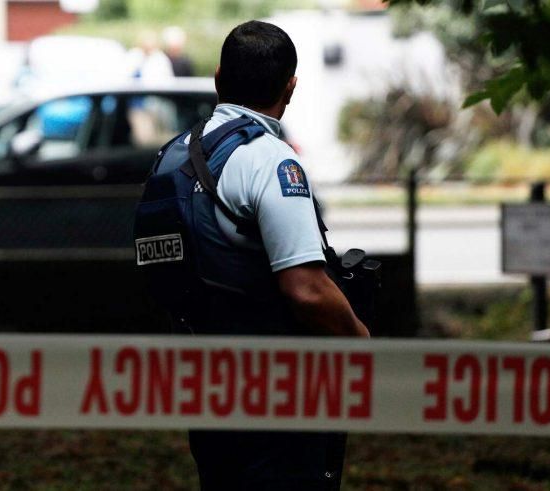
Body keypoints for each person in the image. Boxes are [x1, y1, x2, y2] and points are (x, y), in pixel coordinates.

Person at [135, 20, 369, 490]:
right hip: (274, 389)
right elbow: (306, 290)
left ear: (219, 77)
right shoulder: (269, 160)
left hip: (206, 382)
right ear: (290, 87)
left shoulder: (173, 155)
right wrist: (360, 341)